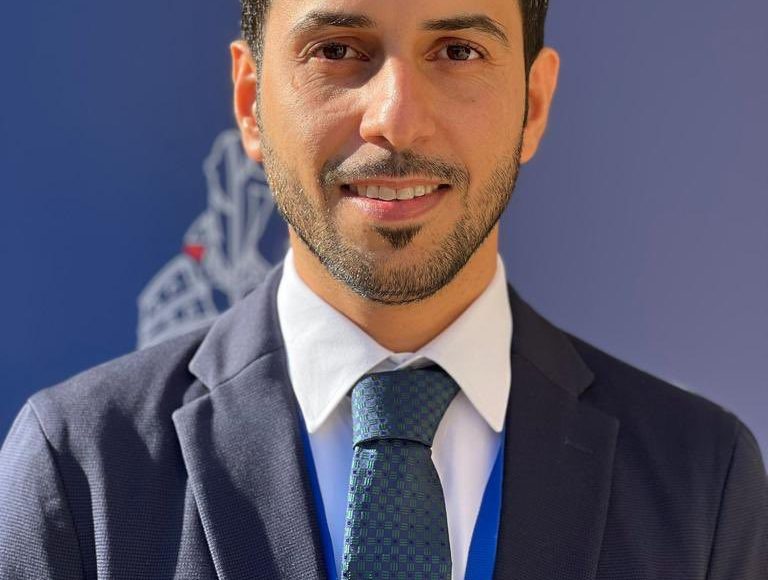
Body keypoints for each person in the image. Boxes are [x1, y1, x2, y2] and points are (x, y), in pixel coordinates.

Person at [1, 0, 766, 577]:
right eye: (337, 49)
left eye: (458, 51)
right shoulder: (80, 472)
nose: (396, 119)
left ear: (533, 105)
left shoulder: (702, 483)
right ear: (250, 101)